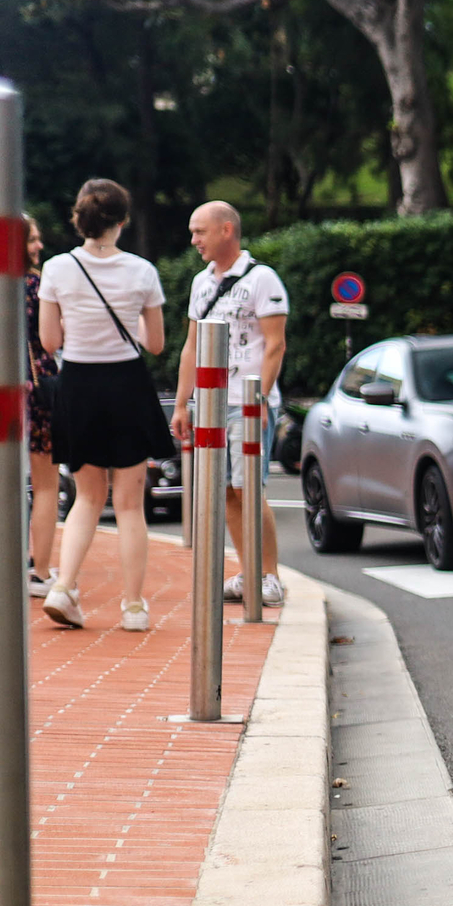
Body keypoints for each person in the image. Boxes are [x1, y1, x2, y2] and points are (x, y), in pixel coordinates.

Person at [37, 179, 172, 631]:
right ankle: (133, 607)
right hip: (127, 384)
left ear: (80, 218)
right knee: (130, 504)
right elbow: (155, 344)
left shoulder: (57, 268)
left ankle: (64, 586)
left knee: (87, 498)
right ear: (122, 220)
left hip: (77, 383)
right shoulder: (141, 272)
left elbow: (50, 340)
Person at [169, 201, 287, 606]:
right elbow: (191, 347)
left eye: (199, 231)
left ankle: (269, 576)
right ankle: (248, 570)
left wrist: (263, 400)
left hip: (247, 401)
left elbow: (275, 345)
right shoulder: (201, 282)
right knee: (226, 494)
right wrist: (183, 404)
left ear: (225, 230)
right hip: (212, 403)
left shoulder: (261, 279)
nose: (194, 240)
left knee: (249, 488)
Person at [21, 215, 59, 597]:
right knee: (46, 484)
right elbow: (51, 340)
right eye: (32, 239)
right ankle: (41, 571)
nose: (38, 246)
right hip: (37, 388)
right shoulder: (37, 286)